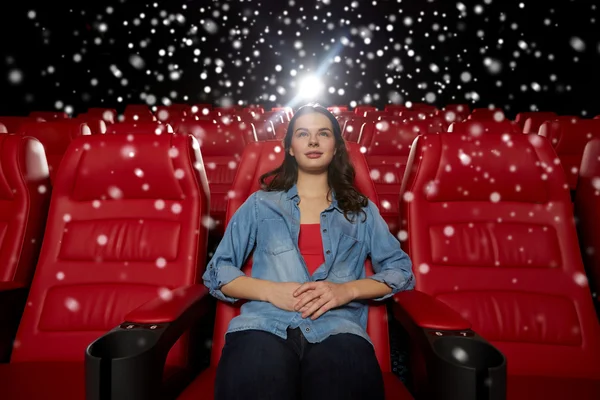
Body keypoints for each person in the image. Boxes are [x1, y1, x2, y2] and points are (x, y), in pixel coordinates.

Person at [202, 103, 415, 400]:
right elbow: (218, 271)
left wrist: (347, 291)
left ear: (336, 146)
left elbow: (400, 271)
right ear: (290, 147)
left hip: (339, 329)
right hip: (263, 326)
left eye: (323, 134)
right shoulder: (259, 205)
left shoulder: (362, 210)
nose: (313, 141)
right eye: (303, 134)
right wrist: (269, 291)